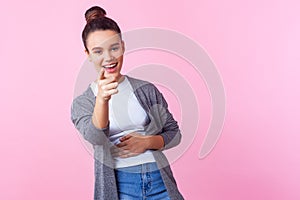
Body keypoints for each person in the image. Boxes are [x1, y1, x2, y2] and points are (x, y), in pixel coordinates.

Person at [71, 6, 184, 200]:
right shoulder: (83, 102)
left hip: (160, 182)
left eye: (114, 48)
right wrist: (102, 100)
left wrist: (148, 142)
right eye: (98, 51)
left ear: (123, 46)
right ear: (88, 54)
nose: (109, 58)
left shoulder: (146, 90)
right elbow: (96, 138)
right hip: (121, 188)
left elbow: (174, 134)